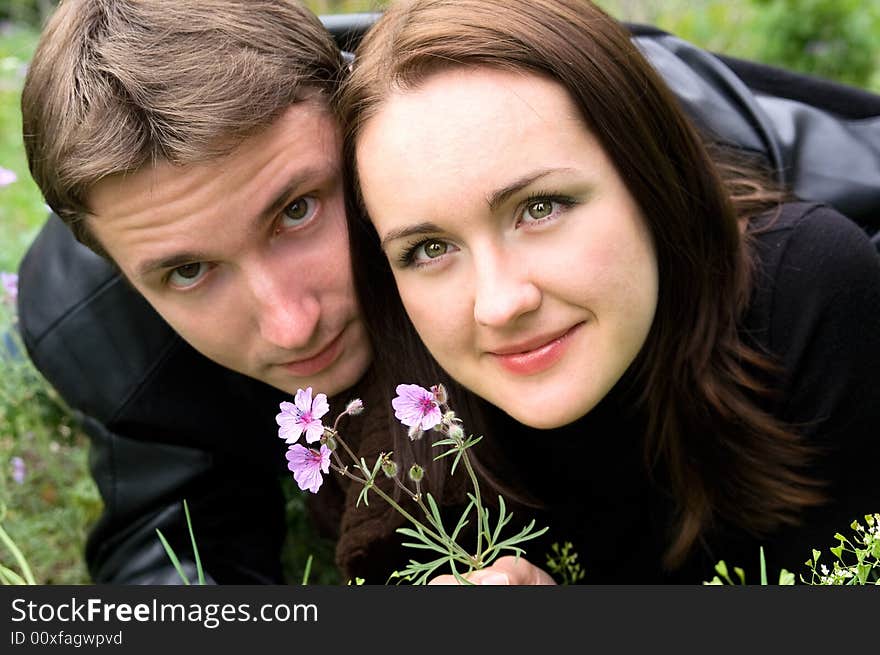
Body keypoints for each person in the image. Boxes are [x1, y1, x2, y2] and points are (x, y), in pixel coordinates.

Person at [16, 1, 880, 584]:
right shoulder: (100, 324)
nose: (293, 322)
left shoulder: (556, 120)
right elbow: (173, 550)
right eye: (188, 272)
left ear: (351, 121)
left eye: (297, 209)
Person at [334, 0, 880, 584]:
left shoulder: (804, 292)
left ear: (650, 176)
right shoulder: (396, 412)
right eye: (430, 249)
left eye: (540, 208)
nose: (498, 304)